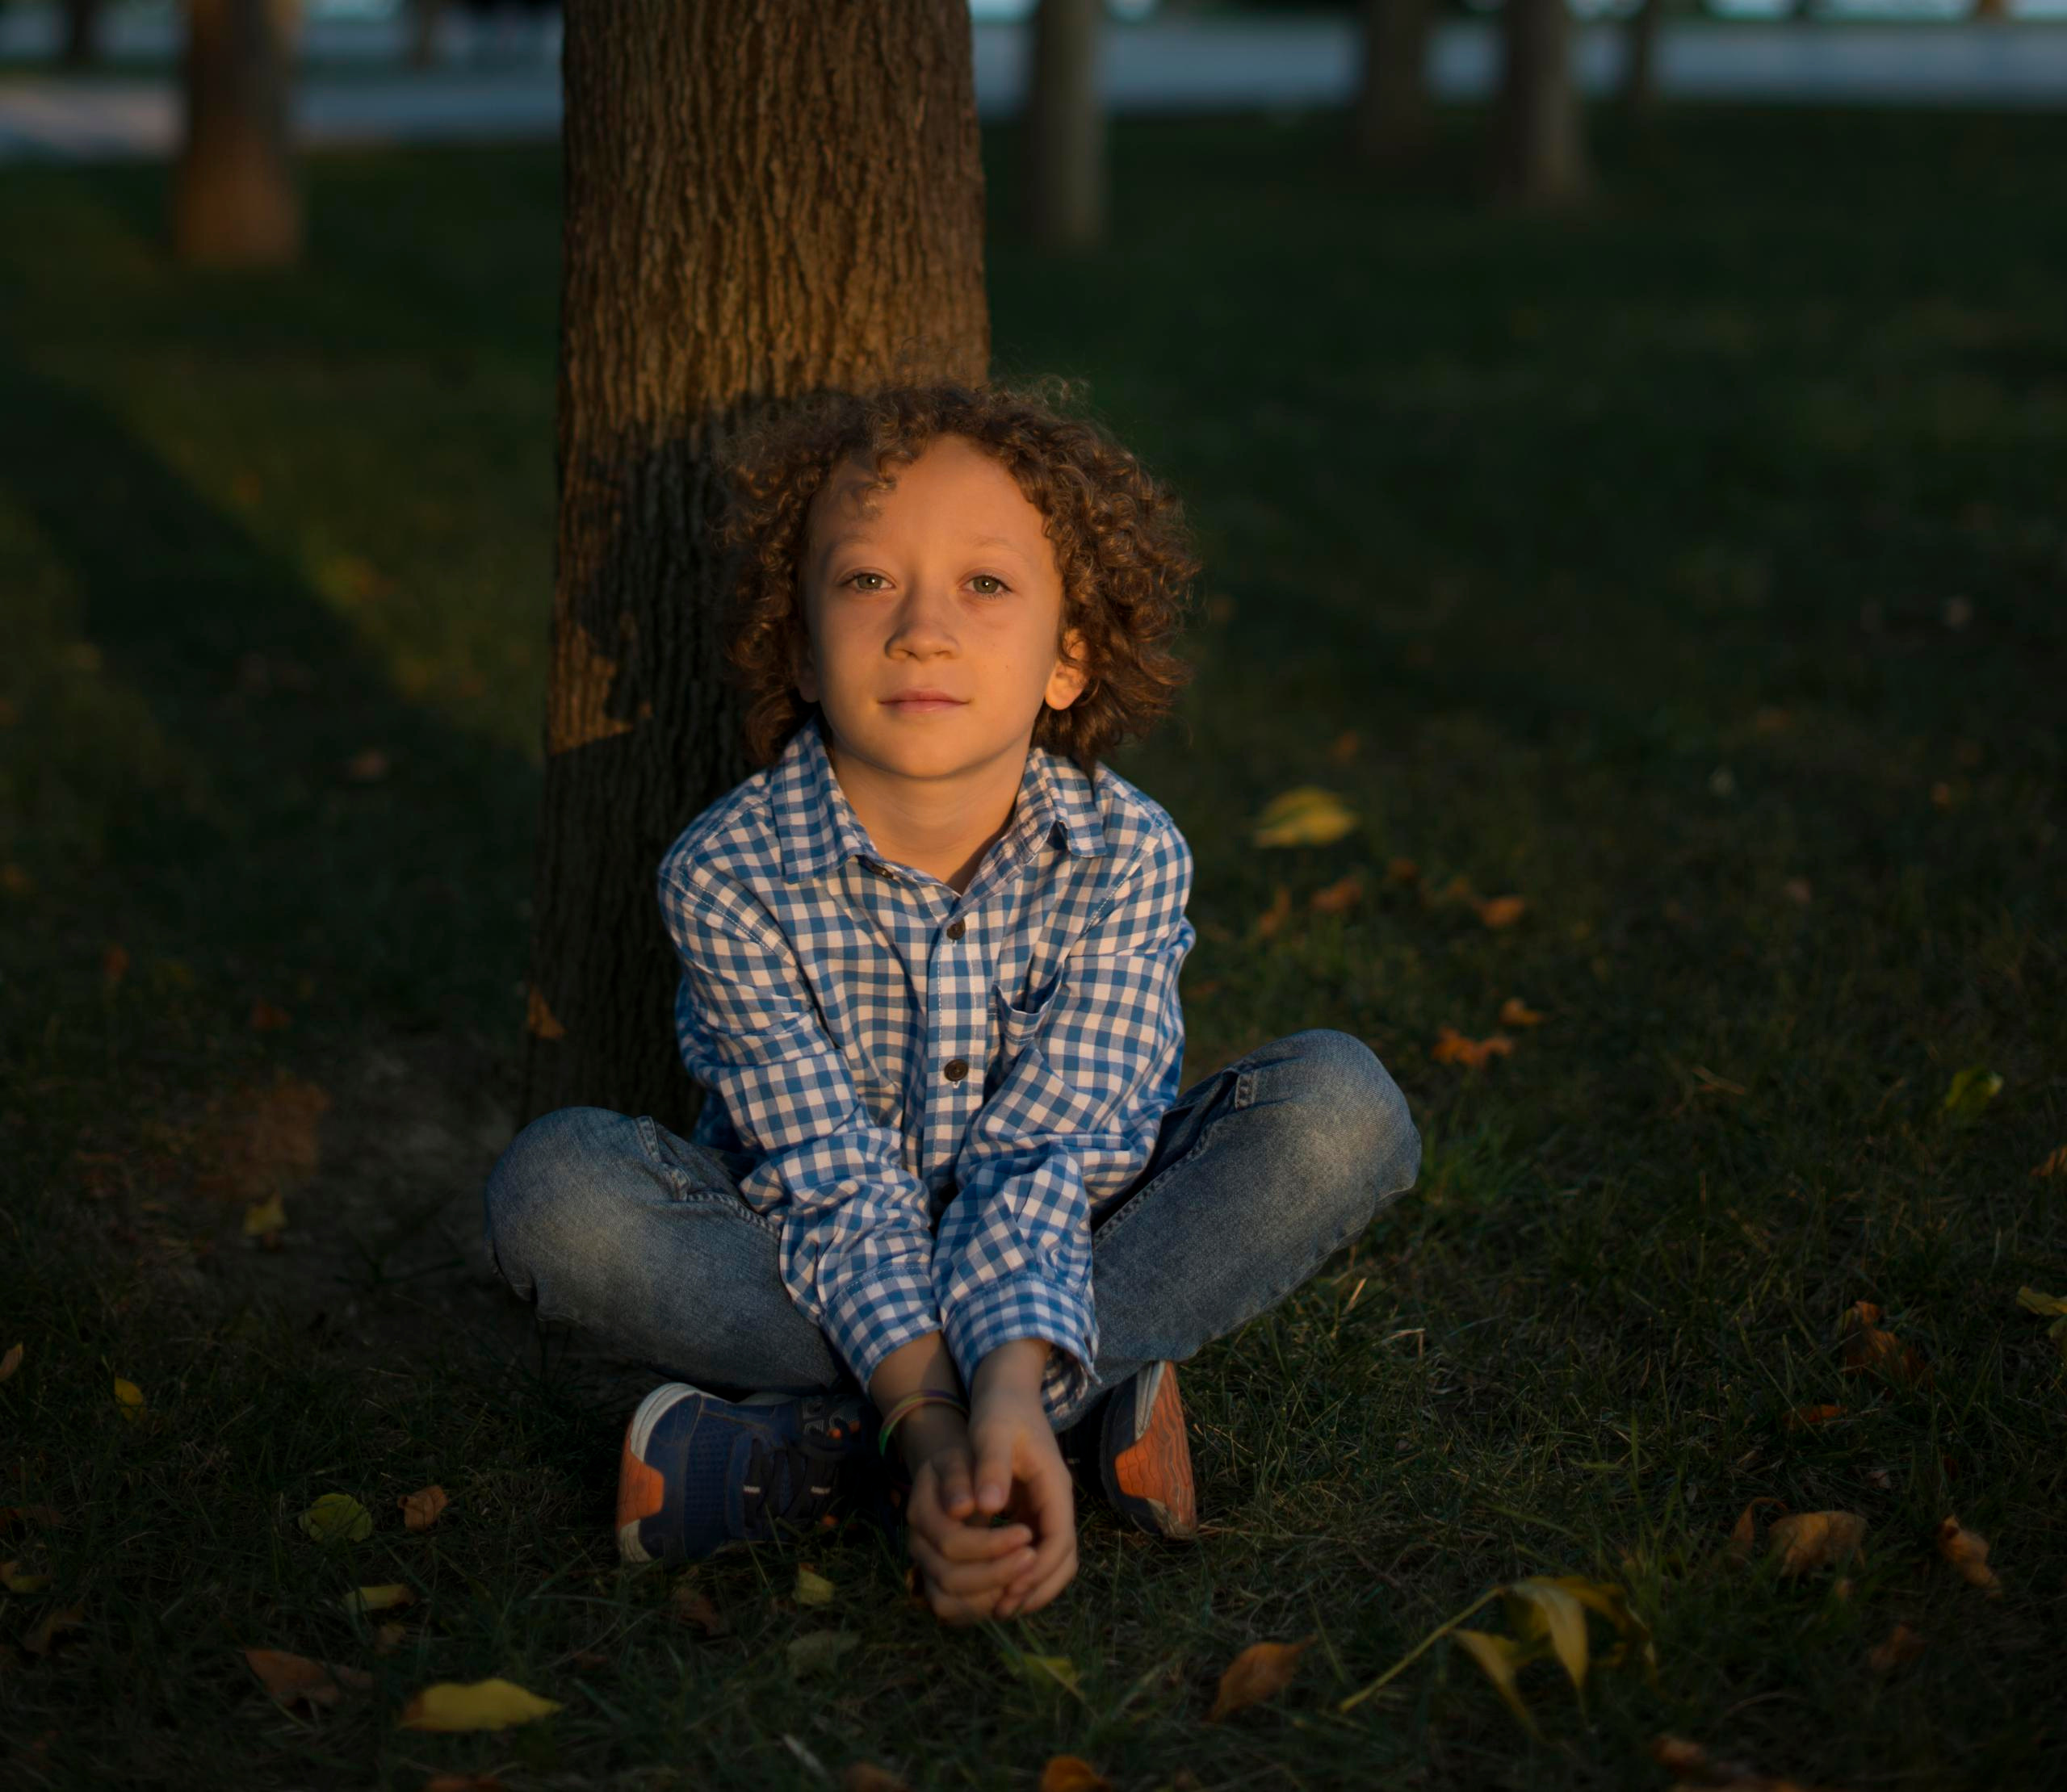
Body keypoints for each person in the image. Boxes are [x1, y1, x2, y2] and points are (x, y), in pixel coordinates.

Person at [482, 379, 1422, 1625]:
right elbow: (824, 1180)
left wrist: (999, 1390)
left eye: (986, 586)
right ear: (802, 651)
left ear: (1069, 660)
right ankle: (1047, 1430)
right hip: (803, 1253)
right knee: (556, 1199)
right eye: (868, 582)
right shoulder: (728, 874)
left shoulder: (1126, 855)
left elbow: (1048, 1161)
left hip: (1071, 1230)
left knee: (1342, 1110)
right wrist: (939, 1421)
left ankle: (818, 1451)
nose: (923, 629)